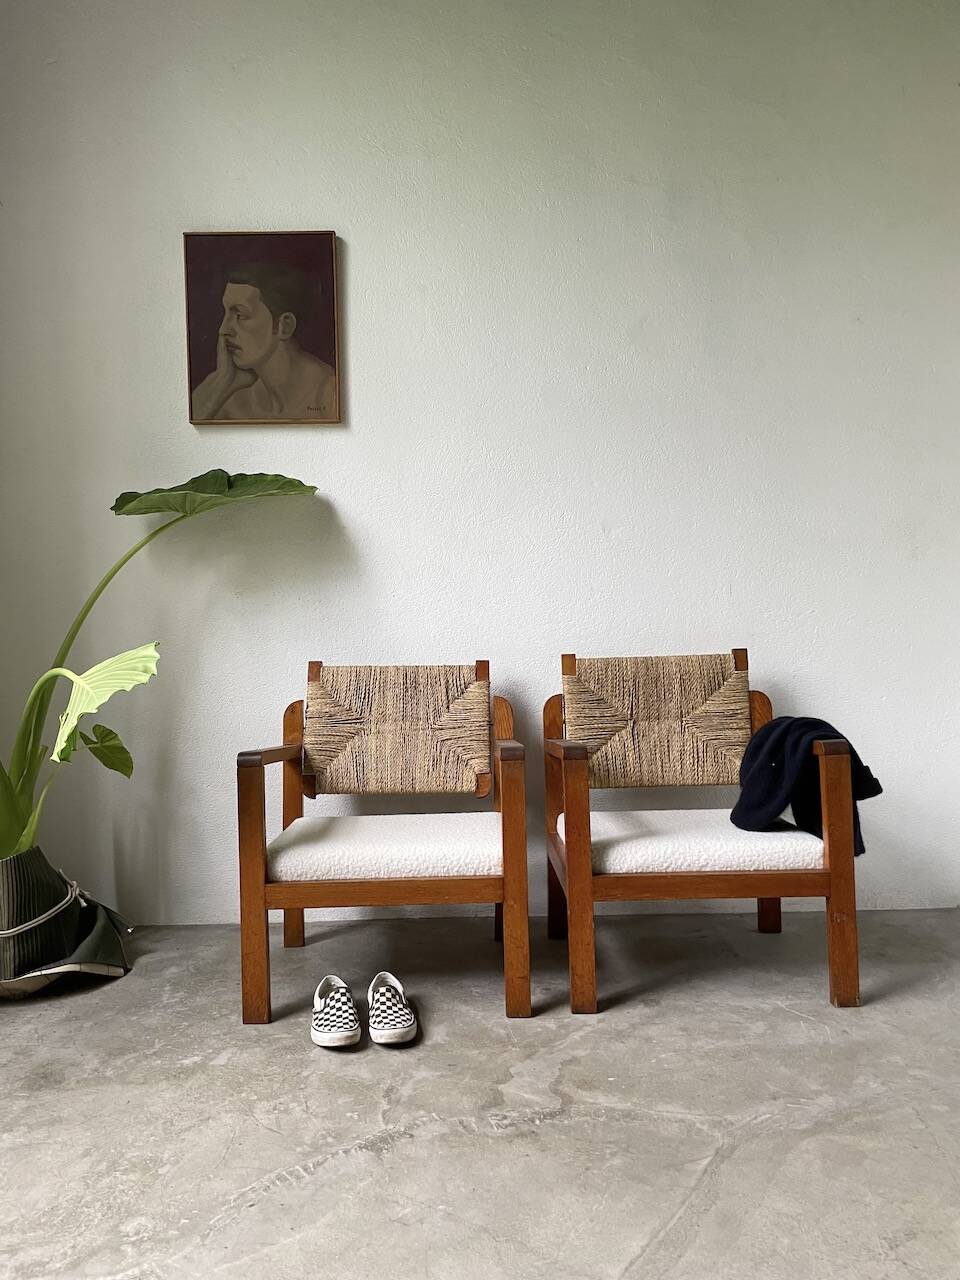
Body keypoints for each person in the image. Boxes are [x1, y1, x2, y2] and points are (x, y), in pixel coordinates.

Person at [191, 263, 337, 421]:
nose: (223, 329)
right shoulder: (233, 400)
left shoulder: (330, 394)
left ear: (284, 326)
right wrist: (221, 381)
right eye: (226, 314)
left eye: (240, 315)